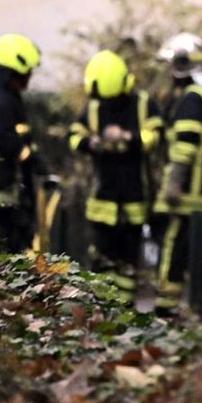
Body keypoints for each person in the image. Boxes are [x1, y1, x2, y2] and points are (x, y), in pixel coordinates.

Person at [68, 50, 162, 300]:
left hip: (134, 196)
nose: (106, 105)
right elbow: (73, 136)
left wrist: (126, 136)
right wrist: (92, 143)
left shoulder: (144, 104)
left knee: (129, 262)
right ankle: (101, 308)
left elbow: (155, 137)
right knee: (101, 260)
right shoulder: (95, 106)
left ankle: (123, 312)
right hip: (102, 199)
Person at [153, 32, 202, 316]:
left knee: (174, 245)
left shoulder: (193, 99)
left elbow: (185, 148)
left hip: (188, 191)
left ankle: (165, 307)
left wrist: (174, 184)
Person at [0, 33, 44, 254]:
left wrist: (35, 160)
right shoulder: (0, 102)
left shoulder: (10, 99)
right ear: (13, 70)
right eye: (26, 72)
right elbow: (5, 139)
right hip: (1, 189)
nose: (29, 76)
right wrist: (30, 157)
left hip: (15, 189)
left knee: (19, 246)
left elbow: (22, 139)